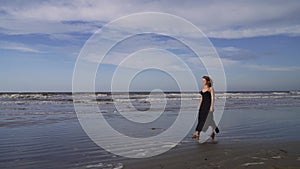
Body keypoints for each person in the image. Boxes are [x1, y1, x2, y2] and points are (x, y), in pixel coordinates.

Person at [192, 75, 217, 140]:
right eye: (202, 81)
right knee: (200, 119)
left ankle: (212, 132)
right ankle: (198, 133)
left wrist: (212, 106)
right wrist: (199, 105)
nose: (203, 82)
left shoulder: (210, 88)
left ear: (207, 81)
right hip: (203, 106)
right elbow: (202, 98)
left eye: (204, 80)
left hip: (208, 106)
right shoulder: (203, 88)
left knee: (209, 120)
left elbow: (212, 97)